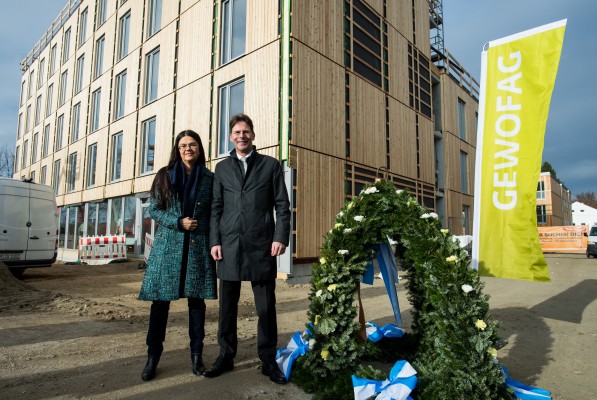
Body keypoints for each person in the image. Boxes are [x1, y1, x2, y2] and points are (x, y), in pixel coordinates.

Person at [204, 113, 291, 384]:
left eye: (246, 131)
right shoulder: (222, 168)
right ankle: (226, 356)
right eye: (236, 132)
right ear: (231, 137)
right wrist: (215, 241)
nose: (241, 136)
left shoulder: (270, 165)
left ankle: (268, 360)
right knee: (227, 307)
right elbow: (216, 208)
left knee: (266, 307)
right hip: (228, 245)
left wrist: (280, 237)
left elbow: (282, 206)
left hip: (261, 245)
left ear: (253, 135)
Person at [138, 130, 216, 381]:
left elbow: (215, 213)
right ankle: (152, 358)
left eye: (192, 145)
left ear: (199, 148)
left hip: (197, 249)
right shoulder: (164, 175)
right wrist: (178, 221)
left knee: (197, 304)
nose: (188, 149)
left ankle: (197, 357)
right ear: (177, 149)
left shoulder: (209, 178)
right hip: (168, 248)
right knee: (160, 304)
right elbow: (154, 210)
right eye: (183, 146)